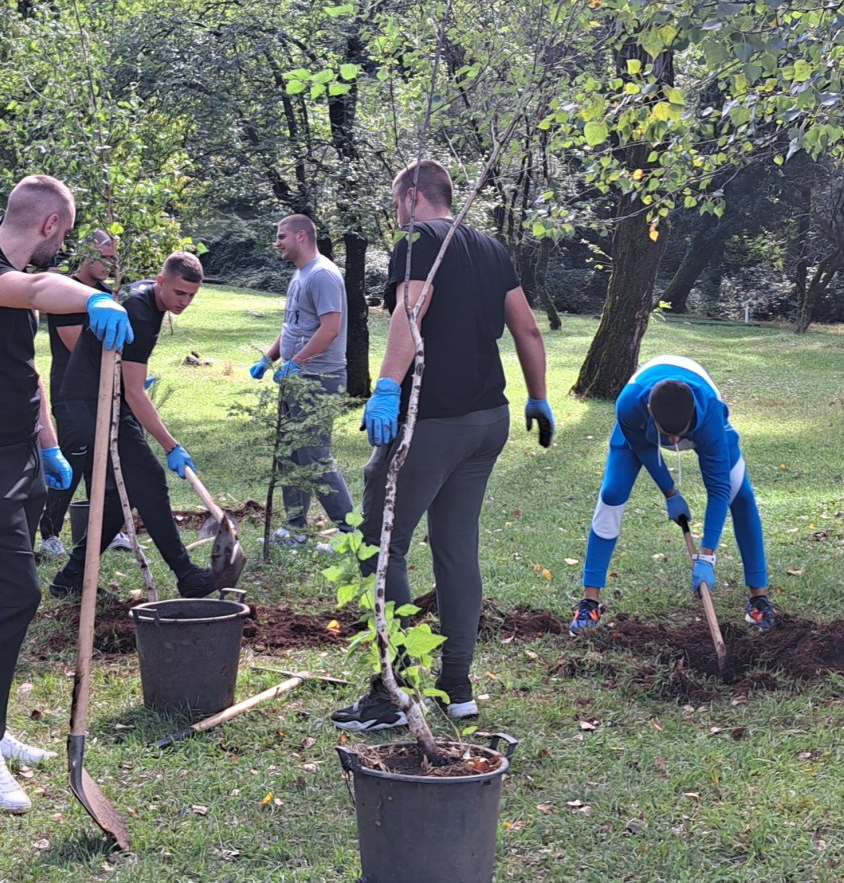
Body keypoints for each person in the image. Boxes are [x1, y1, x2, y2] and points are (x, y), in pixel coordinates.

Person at [0, 176, 133, 813]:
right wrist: (94, 299)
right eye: (64, 235)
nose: (62, 247)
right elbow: (43, 287)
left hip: (13, 454)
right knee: (16, 591)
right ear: (48, 226)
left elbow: (28, 372)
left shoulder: (7, 290)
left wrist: (46, 445)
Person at [330, 159, 555, 732]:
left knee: (380, 545)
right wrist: (538, 396)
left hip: (432, 421)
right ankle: (457, 687)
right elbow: (527, 328)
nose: (393, 210)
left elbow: (411, 310)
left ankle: (396, 691)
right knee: (456, 550)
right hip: (489, 420)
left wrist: (385, 388)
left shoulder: (418, 240)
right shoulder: (490, 247)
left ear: (412, 195)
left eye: (393, 199)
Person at [48, 251, 230, 600]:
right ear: (161, 282)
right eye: (179, 293)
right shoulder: (142, 314)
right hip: (90, 404)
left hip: (104, 397)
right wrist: (171, 445)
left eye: (192, 295)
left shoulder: (147, 298)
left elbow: (128, 384)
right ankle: (186, 575)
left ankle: (69, 579)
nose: (185, 302)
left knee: (118, 500)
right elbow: (134, 392)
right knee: (148, 480)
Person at [567, 355, 777, 634]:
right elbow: (644, 451)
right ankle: (589, 602)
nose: (675, 442)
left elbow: (719, 489)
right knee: (612, 494)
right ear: (651, 412)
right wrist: (670, 491)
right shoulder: (629, 405)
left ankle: (758, 598)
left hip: (706, 421)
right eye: (669, 434)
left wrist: (707, 555)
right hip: (640, 426)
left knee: (742, 496)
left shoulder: (710, 413)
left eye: (681, 434)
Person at [249, 214, 355, 545]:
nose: (277, 242)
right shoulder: (299, 275)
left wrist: (297, 363)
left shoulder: (322, 275)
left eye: (281, 236)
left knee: (315, 455)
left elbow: (330, 328)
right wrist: (269, 359)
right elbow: (293, 328)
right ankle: (295, 530)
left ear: (301, 236)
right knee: (290, 452)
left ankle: (352, 536)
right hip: (297, 377)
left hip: (319, 378)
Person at [37, 229, 118, 558]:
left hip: (104, 390)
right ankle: (50, 534)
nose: (109, 264)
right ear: (87, 252)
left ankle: (104, 533)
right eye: (104, 257)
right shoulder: (65, 292)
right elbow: (77, 346)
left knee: (106, 463)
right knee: (72, 459)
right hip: (72, 391)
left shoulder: (107, 292)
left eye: (113, 259)